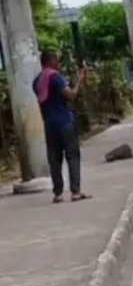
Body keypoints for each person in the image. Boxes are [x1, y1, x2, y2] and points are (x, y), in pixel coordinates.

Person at [32, 49, 89, 204]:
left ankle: (58, 193)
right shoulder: (55, 77)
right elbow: (71, 95)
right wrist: (78, 81)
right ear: (50, 61)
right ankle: (76, 192)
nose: (58, 63)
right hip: (64, 122)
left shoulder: (37, 80)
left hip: (49, 124)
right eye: (56, 59)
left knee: (54, 159)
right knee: (72, 156)